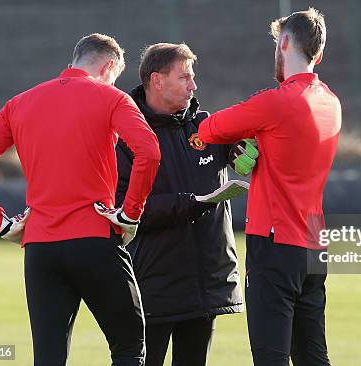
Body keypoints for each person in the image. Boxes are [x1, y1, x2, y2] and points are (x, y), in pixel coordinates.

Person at [0, 33, 161, 366]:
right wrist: (130, 214)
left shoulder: (20, 103)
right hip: (95, 239)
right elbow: (149, 152)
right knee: (129, 347)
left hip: (41, 249)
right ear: (109, 66)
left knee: (48, 357)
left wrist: (0, 222)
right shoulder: (111, 98)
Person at [198, 8, 341, 366]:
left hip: (275, 244)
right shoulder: (331, 102)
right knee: (313, 356)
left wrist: (245, 140)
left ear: (284, 42)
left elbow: (209, 129)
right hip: (313, 244)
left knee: (270, 357)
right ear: (318, 54)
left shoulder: (274, 102)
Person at [115, 43, 245, 366]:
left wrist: (239, 150)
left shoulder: (208, 127)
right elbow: (122, 209)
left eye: (193, 77)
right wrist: (189, 204)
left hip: (205, 285)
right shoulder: (126, 135)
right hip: (154, 287)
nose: (194, 85)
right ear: (156, 81)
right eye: (185, 77)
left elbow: (242, 148)